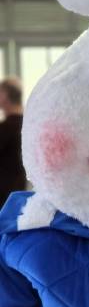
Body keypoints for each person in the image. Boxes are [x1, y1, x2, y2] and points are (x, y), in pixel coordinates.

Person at [0, 77, 26, 209]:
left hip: (4, 197)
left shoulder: (5, 129)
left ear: (4, 96)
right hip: (22, 193)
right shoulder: (31, 125)